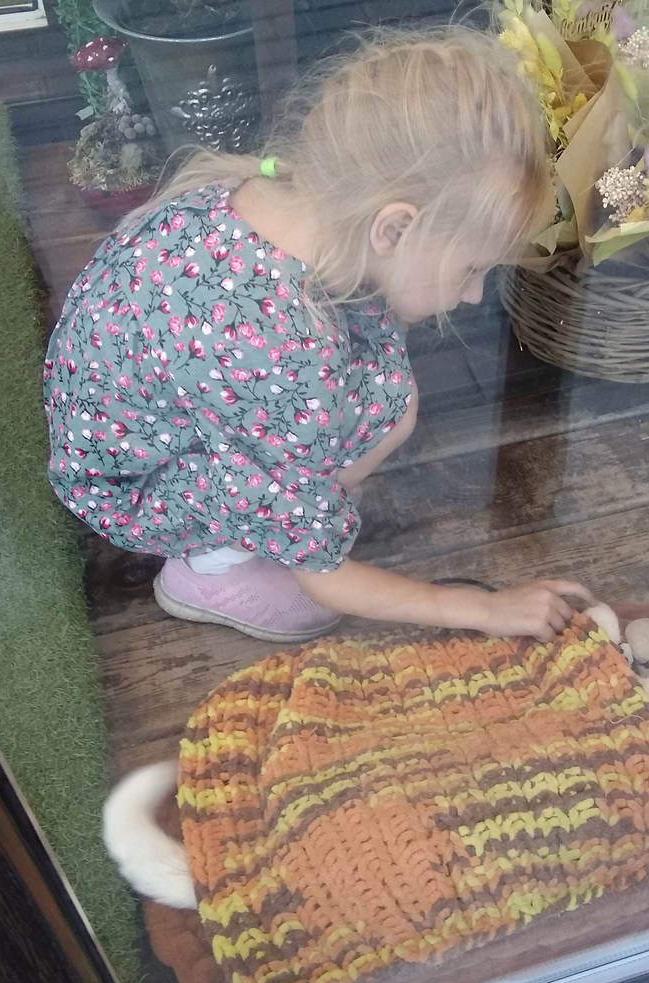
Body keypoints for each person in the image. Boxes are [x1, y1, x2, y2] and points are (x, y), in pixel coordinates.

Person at [43, 24, 592, 644]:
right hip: (134, 486)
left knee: (389, 403)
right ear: (392, 229)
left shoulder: (256, 195)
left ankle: (275, 500)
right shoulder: (283, 359)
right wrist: (481, 609)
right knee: (370, 422)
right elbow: (327, 576)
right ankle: (209, 569)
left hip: (146, 418)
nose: (473, 293)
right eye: (473, 268)